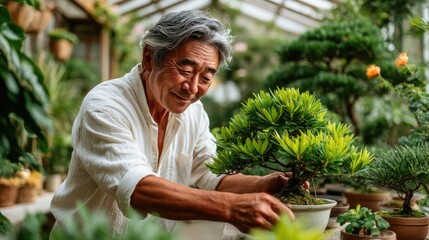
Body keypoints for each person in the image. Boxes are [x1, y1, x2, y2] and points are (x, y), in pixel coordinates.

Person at [50, 9, 298, 237]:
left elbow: (209, 174)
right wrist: (232, 208)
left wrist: (263, 184)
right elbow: (137, 188)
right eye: (185, 69)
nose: (192, 88)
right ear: (149, 58)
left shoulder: (194, 113)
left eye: (206, 77)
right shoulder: (105, 105)